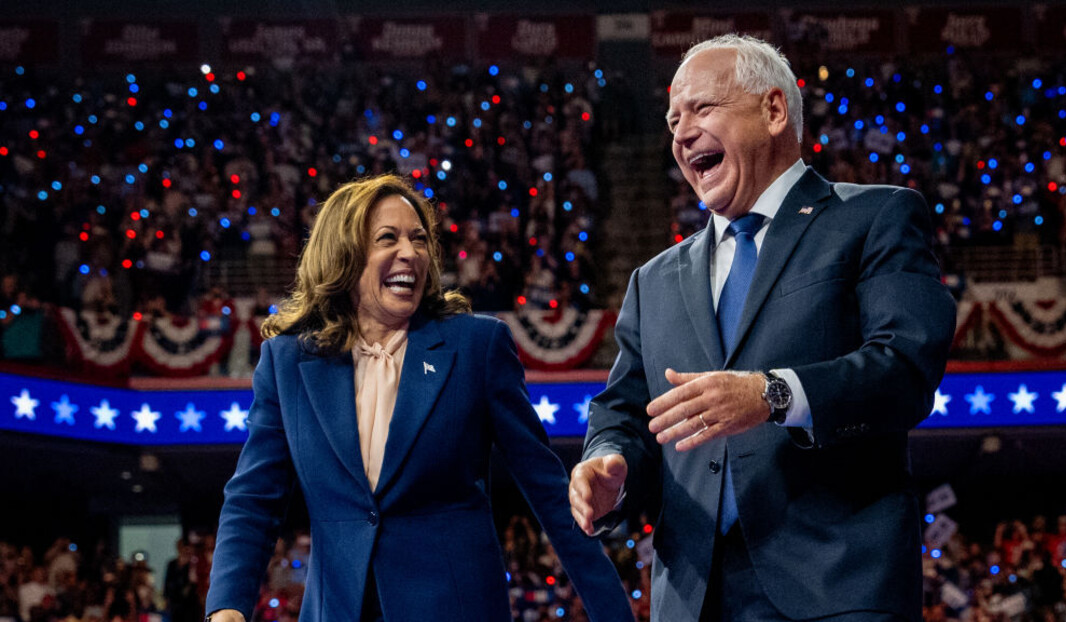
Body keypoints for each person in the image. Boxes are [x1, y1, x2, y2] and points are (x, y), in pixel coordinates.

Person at [569, 34, 956, 622]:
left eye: (702, 108)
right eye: (673, 119)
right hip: (693, 598)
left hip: (838, 591)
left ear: (774, 110)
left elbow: (905, 369)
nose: (680, 132)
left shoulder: (875, 217)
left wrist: (771, 394)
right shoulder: (654, 280)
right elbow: (623, 413)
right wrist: (608, 466)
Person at [205, 175, 632, 622]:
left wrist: (613, 613)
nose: (410, 252)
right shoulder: (287, 362)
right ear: (344, 255)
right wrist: (227, 607)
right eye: (387, 238)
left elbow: (548, 492)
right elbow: (253, 498)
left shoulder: (476, 347)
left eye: (420, 239)